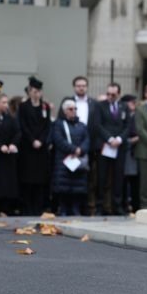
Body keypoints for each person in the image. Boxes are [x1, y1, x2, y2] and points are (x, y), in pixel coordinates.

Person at [64, 76, 100, 214]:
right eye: (78, 85)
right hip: (71, 147)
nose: (81, 88)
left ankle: (88, 207)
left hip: (88, 146)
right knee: (71, 178)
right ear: (74, 87)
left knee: (89, 179)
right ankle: (70, 207)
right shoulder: (68, 101)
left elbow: (96, 124)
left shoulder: (93, 103)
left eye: (84, 85)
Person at [94, 82, 130, 215]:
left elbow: (127, 125)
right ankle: (100, 205)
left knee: (118, 177)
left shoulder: (124, 106)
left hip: (120, 146)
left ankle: (117, 205)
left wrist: (119, 139)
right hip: (105, 145)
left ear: (118, 94)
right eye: (108, 94)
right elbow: (98, 125)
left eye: (113, 94)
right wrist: (109, 139)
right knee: (102, 176)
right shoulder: (100, 106)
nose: (110, 96)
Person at [17, 76, 52, 215]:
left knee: (40, 180)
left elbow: (47, 125)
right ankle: (27, 207)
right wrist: (32, 140)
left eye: (38, 91)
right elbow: (23, 125)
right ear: (30, 91)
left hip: (41, 149)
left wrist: (41, 140)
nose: (36, 93)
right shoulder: (23, 106)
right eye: (33, 90)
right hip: (28, 147)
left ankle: (38, 208)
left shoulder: (45, 106)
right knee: (27, 179)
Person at [50, 99, 90, 216]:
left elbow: (87, 140)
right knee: (63, 187)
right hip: (64, 160)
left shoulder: (82, 125)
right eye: (70, 109)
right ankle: (63, 209)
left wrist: (80, 150)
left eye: (75, 109)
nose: (73, 111)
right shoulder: (59, 124)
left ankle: (75, 208)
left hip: (77, 161)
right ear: (64, 111)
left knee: (77, 187)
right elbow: (58, 140)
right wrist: (73, 149)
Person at [0, 93, 21, 216]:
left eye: (7, 102)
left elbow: (17, 132)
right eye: (3, 102)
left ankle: (5, 209)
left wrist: (13, 144)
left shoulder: (10, 118)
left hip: (7, 156)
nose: (6, 105)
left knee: (7, 184)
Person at [120, 94, 140, 214]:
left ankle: (134, 205)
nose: (133, 105)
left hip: (136, 152)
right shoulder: (122, 115)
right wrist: (130, 140)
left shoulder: (137, 115)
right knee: (123, 181)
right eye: (131, 102)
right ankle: (124, 205)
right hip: (124, 149)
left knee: (135, 181)